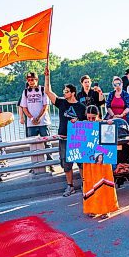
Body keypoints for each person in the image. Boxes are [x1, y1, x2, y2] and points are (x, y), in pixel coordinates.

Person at [44, 65, 86, 197]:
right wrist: (47, 76)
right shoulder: (61, 103)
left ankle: (86, 184)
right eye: (64, 91)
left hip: (77, 140)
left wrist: (78, 122)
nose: (64, 92)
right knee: (66, 164)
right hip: (63, 138)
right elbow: (47, 91)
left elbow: (87, 123)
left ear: (73, 93)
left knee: (81, 163)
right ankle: (70, 186)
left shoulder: (81, 107)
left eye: (67, 91)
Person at [82, 105, 119, 218]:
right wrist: (74, 124)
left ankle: (105, 209)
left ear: (98, 116)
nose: (91, 120)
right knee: (90, 183)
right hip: (89, 160)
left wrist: (110, 125)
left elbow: (110, 141)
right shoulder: (83, 125)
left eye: (93, 118)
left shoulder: (104, 124)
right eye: (89, 118)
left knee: (103, 184)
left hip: (102, 159)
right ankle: (92, 208)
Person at [19, 72, 54, 169]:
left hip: (43, 122)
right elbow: (24, 107)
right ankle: (35, 165)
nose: (30, 82)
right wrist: (31, 118)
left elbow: (45, 105)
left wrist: (39, 117)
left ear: (36, 80)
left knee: (47, 142)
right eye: (29, 80)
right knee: (33, 145)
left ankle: (50, 163)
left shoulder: (42, 90)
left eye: (32, 79)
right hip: (31, 123)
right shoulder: (25, 92)